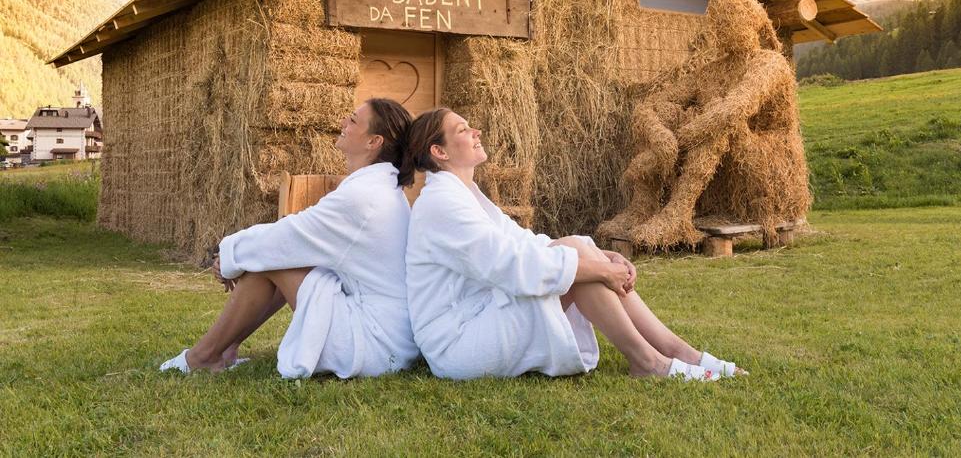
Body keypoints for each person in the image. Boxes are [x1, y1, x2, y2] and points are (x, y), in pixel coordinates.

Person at [404, 108, 746, 381]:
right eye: (463, 130)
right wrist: (598, 269)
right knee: (577, 260)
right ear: (439, 151)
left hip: (481, 315)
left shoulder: (464, 194)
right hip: (459, 342)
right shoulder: (440, 203)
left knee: (577, 247)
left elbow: (523, 242)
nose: (475, 131)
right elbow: (508, 263)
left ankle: (678, 351)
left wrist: (603, 256)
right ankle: (649, 361)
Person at [160, 98, 419, 379]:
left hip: (373, 343)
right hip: (388, 335)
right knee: (283, 257)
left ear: (374, 141)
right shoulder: (378, 189)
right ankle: (225, 349)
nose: (344, 122)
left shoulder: (363, 198)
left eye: (354, 120)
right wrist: (238, 254)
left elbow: (287, 236)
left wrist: (229, 255)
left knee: (277, 258)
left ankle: (203, 356)